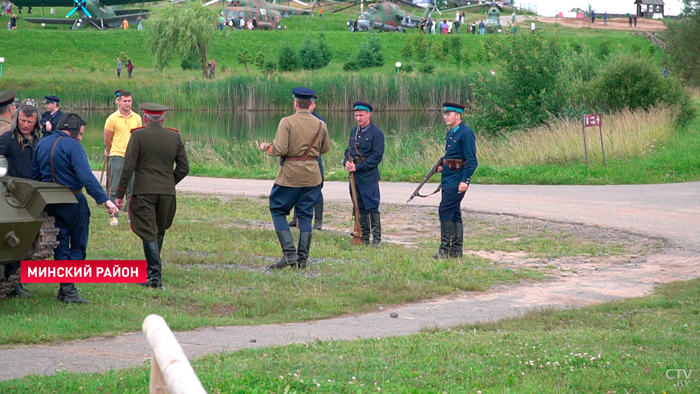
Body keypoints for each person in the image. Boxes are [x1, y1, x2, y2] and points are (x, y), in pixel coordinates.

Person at [32, 113, 119, 303]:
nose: (80, 138)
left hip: (50, 202)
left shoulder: (42, 143)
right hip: (73, 200)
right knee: (78, 245)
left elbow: (34, 176)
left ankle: (65, 289)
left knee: (61, 245)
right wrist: (105, 200)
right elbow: (86, 177)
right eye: (79, 134)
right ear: (72, 130)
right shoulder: (73, 146)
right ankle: (69, 290)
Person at [114, 103, 189, 288]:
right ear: (163, 119)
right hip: (167, 193)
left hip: (143, 191)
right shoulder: (174, 136)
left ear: (145, 118)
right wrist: (169, 181)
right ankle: (150, 273)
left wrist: (120, 193)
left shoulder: (138, 135)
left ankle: (154, 278)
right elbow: (184, 168)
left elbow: (128, 166)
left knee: (148, 232)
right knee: (158, 230)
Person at [259, 87, 330, 270]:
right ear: (310, 104)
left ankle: (289, 254)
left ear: (296, 103)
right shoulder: (321, 124)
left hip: (290, 175)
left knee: (277, 209)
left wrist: (267, 146)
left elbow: (279, 149)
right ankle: (302, 260)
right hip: (313, 176)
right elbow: (325, 149)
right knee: (306, 215)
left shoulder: (287, 122)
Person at [0, 102, 41, 298]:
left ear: (36, 122)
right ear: (16, 119)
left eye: (30, 121)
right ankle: (11, 282)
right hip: (12, 192)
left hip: (31, 192)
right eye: (22, 120)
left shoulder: (37, 140)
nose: (25, 124)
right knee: (11, 237)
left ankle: (17, 281)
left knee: (27, 239)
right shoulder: (8, 139)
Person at [433, 102, 478, 259]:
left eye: (449, 114)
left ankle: (444, 250)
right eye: (445, 114)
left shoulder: (466, 133)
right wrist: (443, 165)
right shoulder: (451, 133)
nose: (445, 116)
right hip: (448, 177)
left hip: (458, 178)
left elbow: (471, 160)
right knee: (454, 213)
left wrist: (465, 180)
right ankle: (456, 250)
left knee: (445, 210)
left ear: (458, 115)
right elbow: (452, 155)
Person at [343, 101, 385, 247]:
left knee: (371, 206)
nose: (359, 118)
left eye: (361, 115)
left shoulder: (376, 133)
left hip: (368, 175)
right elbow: (348, 151)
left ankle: (377, 240)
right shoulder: (353, 132)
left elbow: (376, 157)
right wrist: (346, 163)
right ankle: (364, 237)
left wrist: (358, 167)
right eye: (356, 115)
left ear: (368, 114)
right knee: (358, 206)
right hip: (354, 176)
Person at [104, 90, 141, 225]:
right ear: (118, 102)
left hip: (133, 157)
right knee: (115, 188)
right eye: (124, 101)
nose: (127, 104)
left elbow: (139, 138)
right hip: (117, 156)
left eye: (129, 101)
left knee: (132, 188)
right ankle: (114, 216)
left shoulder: (137, 118)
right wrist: (109, 151)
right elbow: (108, 140)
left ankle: (132, 216)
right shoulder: (112, 119)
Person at [289, 93, 325, 231]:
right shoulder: (294, 120)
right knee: (297, 189)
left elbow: (322, 146)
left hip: (314, 162)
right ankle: (296, 218)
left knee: (316, 191)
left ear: (313, 105)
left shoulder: (319, 122)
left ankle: (318, 221)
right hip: (297, 163)